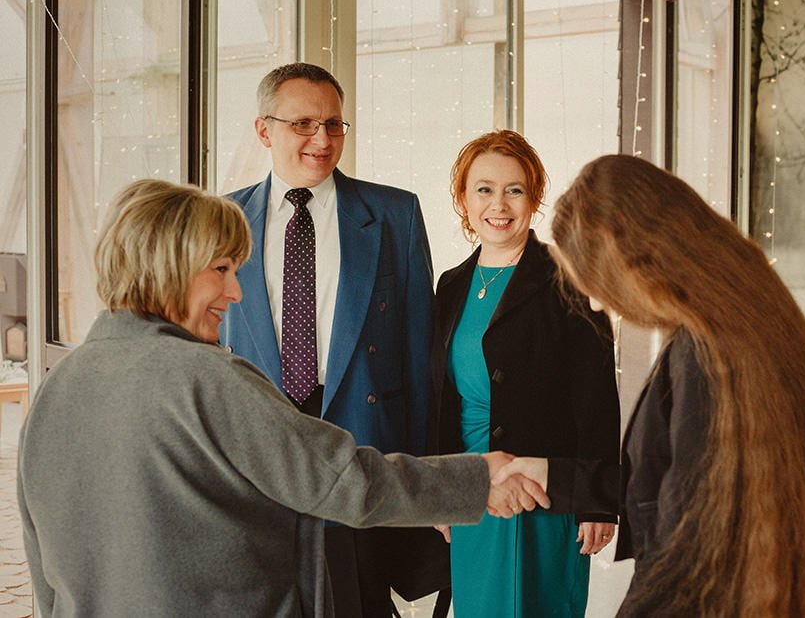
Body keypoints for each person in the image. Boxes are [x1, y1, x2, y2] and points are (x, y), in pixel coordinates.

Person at [17, 179, 548, 617]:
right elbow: (339, 479)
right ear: (169, 264)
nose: (235, 292)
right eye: (221, 270)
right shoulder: (207, 378)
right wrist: (478, 478)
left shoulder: (57, 388)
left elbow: (44, 568)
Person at [497, 154, 805, 616]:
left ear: (634, 263)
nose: (598, 302)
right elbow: (674, 479)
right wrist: (554, 475)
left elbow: (688, 540)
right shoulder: (742, 314)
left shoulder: (706, 354)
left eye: (596, 284)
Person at [219, 62, 435, 615]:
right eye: (303, 124)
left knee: (359, 602)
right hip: (257, 446)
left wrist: (423, 476)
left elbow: (419, 355)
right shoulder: (222, 218)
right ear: (264, 130)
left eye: (334, 124)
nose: (322, 140)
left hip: (362, 442)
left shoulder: (395, 214)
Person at [429, 131, 620, 617]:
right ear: (463, 199)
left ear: (534, 198)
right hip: (473, 488)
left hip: (542, 492)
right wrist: (442, 492)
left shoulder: (570, 277)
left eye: (514, 190)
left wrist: (596, 501)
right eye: (484, 189)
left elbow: (596, 395)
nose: (499, 204)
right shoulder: (450, 285)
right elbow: (442, 398)